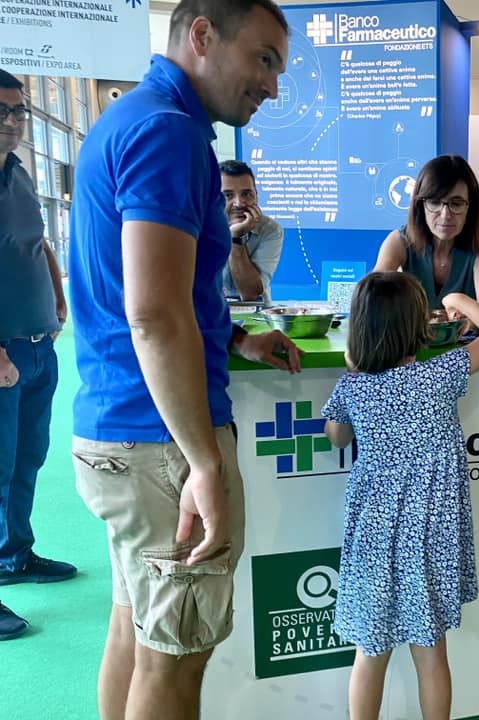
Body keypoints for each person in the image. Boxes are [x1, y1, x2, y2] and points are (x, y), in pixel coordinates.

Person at [67, 2, 303, 717]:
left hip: (119, 430)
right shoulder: (168, 134)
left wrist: (236, 339)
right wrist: (203, 462)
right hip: (162, 445)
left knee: (138, 629)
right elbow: (152, 313)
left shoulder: (129, 120)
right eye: (262, 59)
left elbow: (157, 291)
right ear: (201, 36)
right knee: (174, 660)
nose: (272, 87)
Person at [321, 273, 479, 720]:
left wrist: (352, 374)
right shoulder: (441, 375)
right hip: (430, 534)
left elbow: (335, 436)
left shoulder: (354, 387)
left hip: (374, 537)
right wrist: (459, 296)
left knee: (370, 653)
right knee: (432, 656)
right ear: (419, 327)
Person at [0, 69, 76, 642]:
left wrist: (56, 293)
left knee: (27, 459)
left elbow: (39, 242)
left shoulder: (20, 175)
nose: (13, 121)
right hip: (2, 352)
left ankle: (14, 555)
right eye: (2, 111)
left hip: (37, 343)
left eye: (19, 111)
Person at [373, 154, 479, 310]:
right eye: (434, 202)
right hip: (412, 334)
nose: (445, 215)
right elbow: (371, 296)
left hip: (470, 335)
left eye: (456, 203)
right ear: (421, 205)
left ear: (469, 207)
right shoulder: (399, 240)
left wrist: (466, 321)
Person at [220, 159, 283, 303]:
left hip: (255, 317)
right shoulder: (197, 229)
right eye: (228, 195)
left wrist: (235, 238)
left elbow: (250, 294)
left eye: (247, 194)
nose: (239, 203)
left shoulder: (270, 230)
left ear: (257, 196)